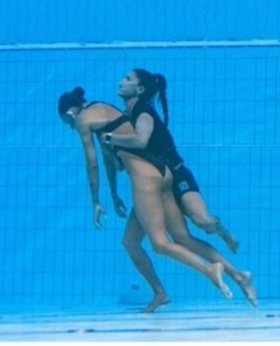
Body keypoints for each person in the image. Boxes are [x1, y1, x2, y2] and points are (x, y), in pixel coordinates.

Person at [58, 81, 256, 312]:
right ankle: (236, 276)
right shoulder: (104, 110)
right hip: (163, 174)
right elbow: (108, 160)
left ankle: (209, 270)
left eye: (68, 123)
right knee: (141, 240)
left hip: (145, 180)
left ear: (71, 113)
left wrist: (95, 202)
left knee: (160, 244)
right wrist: (113, 193)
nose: (72, 127)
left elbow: (91, 164)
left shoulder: (83, 120)